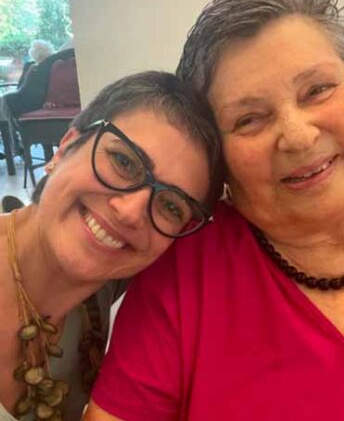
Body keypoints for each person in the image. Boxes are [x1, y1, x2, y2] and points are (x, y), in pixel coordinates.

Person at [87, 0, 344, 420]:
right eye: (249, 120)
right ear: (219, 161)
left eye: (317, 90)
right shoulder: (184, 274)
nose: (297, 136)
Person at [0, 71, 223, 421]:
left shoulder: (110, 281)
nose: (131, 212)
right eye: (123, 162)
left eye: (170, 205)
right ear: (65, 147)